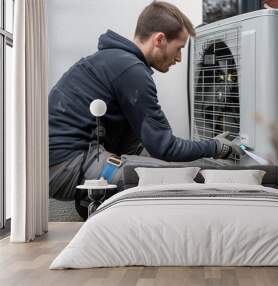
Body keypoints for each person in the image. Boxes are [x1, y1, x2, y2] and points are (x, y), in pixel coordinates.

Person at [48, 1, 241, 204]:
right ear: (160, 39)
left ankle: (97, 202)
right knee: (182, 176)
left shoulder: (115, 60)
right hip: (67, 166)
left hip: (64, 161)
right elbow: (165, 147)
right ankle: (95, 199)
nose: (179, 58)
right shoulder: (130, 70)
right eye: (178, 48)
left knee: (146, 145)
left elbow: (151, 142)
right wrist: (217, 147)